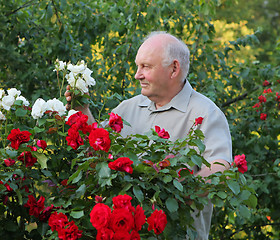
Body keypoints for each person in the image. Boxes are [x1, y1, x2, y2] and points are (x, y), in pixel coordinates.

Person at [65, 31, 232, 239]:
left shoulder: (206, 113)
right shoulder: (127, 108)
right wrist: (83, 111)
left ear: (173, 69)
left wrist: (174, 195)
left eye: (146, 67)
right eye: (138, 66)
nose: (137, 74)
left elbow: (221, 168)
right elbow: (99, 149)